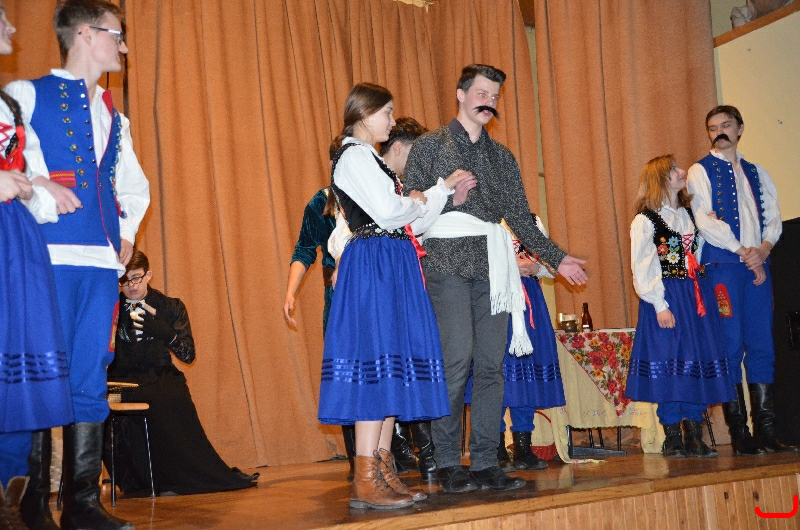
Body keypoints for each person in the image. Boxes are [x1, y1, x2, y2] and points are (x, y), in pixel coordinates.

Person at [403, 64, 587, 494]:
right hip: (446, 262)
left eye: (494, 96)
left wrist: (557, 258)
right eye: (481, 93)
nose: (488, 102)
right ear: (460, 94)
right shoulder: (429, 146)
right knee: (456, 361)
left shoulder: (502, 157)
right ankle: (448, 462)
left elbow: (520, 217)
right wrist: (450, 197)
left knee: (490, 365)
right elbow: (411, 208)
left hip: (492, 266)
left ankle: (486, 461)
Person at [6, 1, 150, 528]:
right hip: (47, 256)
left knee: (89, 376)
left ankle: (83, 503)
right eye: (117, 34)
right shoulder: (25, 95)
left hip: (99, 264)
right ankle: (30, 504)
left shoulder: (116, 115)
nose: (123, 46)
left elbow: (132, 185)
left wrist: (126, 234)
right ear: (86, 34)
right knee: (42, 375)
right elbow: (17, 168)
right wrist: (44, 190)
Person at [319, 83, 469, 510]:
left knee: (391, 369)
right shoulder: (354, 156)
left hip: (391, 260)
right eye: (386, 112)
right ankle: (366, 478)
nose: (391, 120)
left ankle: (383, 473)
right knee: (376, 364)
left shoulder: (370, 159)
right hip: (375, 264)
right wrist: (416, 200)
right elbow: (389, 213)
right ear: (364, 114)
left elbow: (408, 222)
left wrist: (431, 195)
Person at [687, 105, 797, 455]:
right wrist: (743, 251)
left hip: (757, 266)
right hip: (723, 266)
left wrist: (762, 251)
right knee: (731, 345)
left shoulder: (757, 172)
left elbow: (773, 219)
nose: (718, 132)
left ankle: (766, 430)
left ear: (740, 128)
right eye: (712, 127)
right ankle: (739, 434)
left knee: (762, 344)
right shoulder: (699, 171)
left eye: (726, 125)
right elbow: (705, 221)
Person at [0, 5, 74, 528]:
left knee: (20, 365)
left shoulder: (7, 104)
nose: (11, 27)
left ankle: (9, 500)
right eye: (1, 18)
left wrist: (36, 185)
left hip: (16, 240)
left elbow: (25, 172)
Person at [105, 250, 257, 496]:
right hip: (121, 383)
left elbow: (188, 355)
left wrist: (166, 332)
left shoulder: (170, 306)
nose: (131, 285)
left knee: (170, 397)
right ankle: (137, 479)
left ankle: (175, 476)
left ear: (148, 275)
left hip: (158, 377)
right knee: (101, 405)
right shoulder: (109, 308)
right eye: (124, 280)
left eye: (136, 278)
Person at [627, 155, 736, 458]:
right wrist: (659, 304)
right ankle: (672, 435)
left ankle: (694, 435)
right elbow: (642, 265)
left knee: (696, 359)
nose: (682, 172)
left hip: (694, 294)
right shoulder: (645, 220)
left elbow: (699, 250)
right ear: (660, 179)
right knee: (670, 361)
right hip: (667, 295)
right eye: (674, 169)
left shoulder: (690, 213)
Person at [499, 215, 565, 470]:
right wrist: (508, 265)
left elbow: (551, 263)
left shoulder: (531, 220)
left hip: (530, 302)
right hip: (497, 299)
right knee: (497, 373)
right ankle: (494, 447)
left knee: (526, 373)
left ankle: (523, 446)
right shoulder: (485, 218)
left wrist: (538, 268)